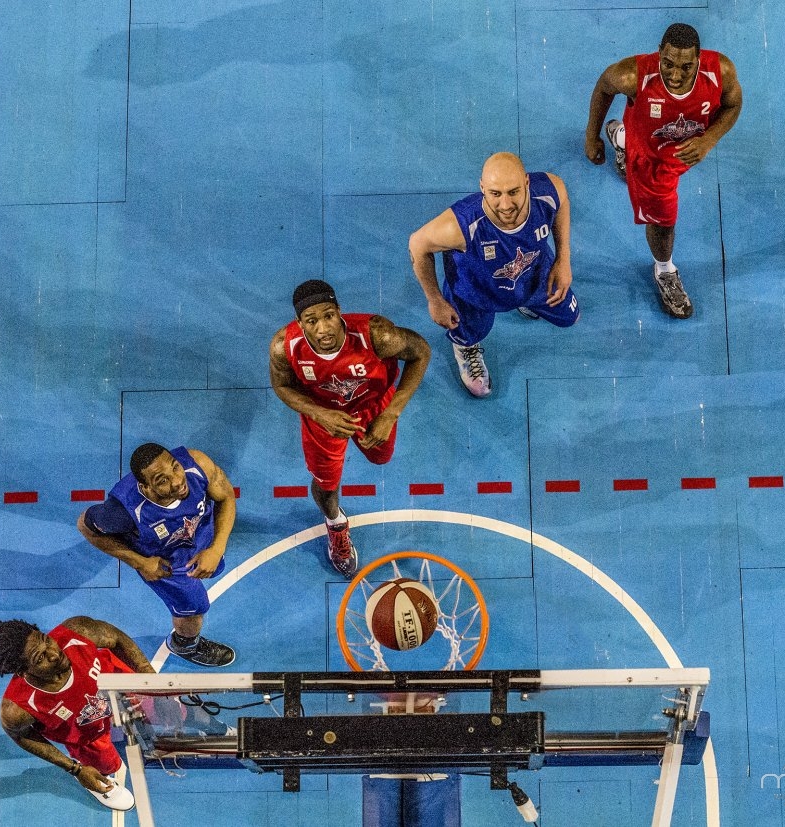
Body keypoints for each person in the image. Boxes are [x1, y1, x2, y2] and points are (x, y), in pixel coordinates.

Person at [269, 279, 430, 577]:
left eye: (329, 316)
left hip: (374, 407)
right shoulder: (284, 347)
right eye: (311, 321)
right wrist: (319, 413)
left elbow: (421, 351)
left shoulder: (377, 334)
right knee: (326, 483)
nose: (323, 329)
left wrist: (391, 414)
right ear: (300, 323)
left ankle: (376, 423)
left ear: (339, 311)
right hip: (323, 416)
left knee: (381, 457)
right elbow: (281, 386)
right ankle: (335, 524)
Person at [585, 22, 743, 319]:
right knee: (663, 222)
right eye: (668, 64)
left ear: (699, 59)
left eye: (686, 67)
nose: (675, 75)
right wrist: (590, 137)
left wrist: (709, 140)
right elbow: (604, 87)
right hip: (652, 164)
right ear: (659, 53)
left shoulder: (721, 71)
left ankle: (621, 138)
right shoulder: (632, 75)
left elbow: (733, 104)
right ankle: (665, 270)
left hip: (686, 147)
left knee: (639, 132)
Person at [408, 152, 580, 398]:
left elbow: (562, 201)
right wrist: (434, 299)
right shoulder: (460, 225)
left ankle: (524, 301)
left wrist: (563, 260)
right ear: (482, 189)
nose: (506, 205)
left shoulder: (549, 190)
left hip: (535, 275)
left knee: (571, 317)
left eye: (513, 192)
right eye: (495, 194)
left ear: (527, 182)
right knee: (467, 331)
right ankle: (466, 347)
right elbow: (417, 244)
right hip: (476, 293)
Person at [77, 443, 237, 667]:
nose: (177, 481)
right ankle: (185, 644)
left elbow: (226, 496)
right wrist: (140, 563)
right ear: (145, 487)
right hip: (168, 566)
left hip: (202, 542)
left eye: (175, 467)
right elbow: (85, 526)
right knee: (194, 609)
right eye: (162, 480)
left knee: (215, 566)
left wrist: (216, 549)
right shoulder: (122, 512)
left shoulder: (197, 464)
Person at [0, 615, 154, 812]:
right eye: (40, 658)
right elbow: (20, 735)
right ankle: (99, 781)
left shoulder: (77, 632)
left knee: (165, 711)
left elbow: (115, 638)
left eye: (47, 640)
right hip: (87, 734)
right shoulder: (19, 708)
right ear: (23, 672)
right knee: (106, 767)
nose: (54, 654)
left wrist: (148, 675)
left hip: (118, 686)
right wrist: (76, 769)